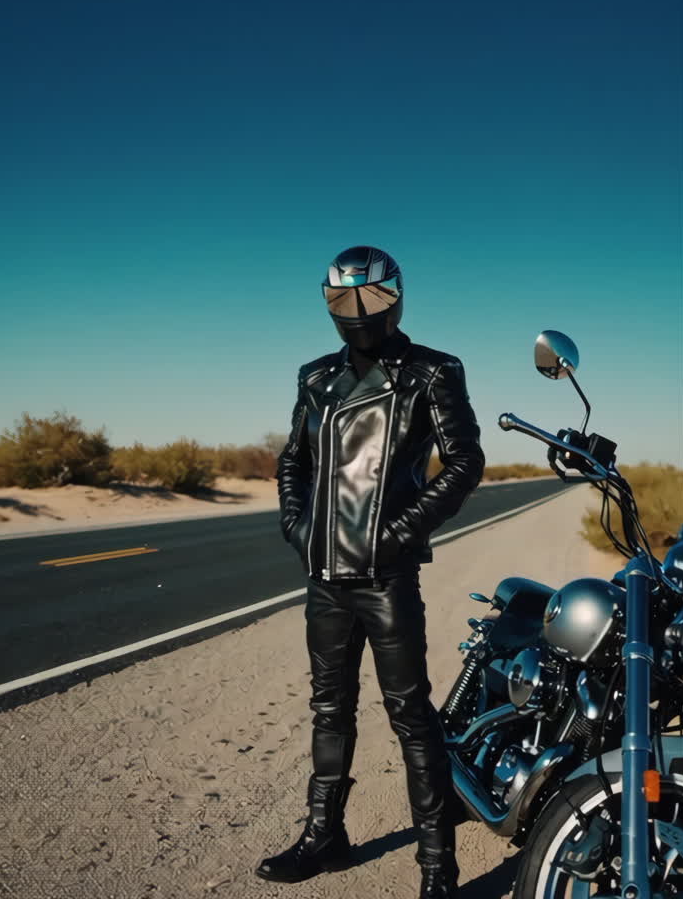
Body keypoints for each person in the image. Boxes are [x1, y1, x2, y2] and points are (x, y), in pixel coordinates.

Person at [255, 245, 485, 898]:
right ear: (328, 303)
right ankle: (324, 836)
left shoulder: (433, 371)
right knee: (329, 709)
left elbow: (464, 462)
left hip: (386, 575)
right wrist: (298, 530)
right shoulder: (315, 378)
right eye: (343, 299)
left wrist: (395, 535)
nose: (357, 311)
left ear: (395, 298)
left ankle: (439, 868)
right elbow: (292, 463)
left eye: (371, 297)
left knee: (412, 715)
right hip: (325, 572)